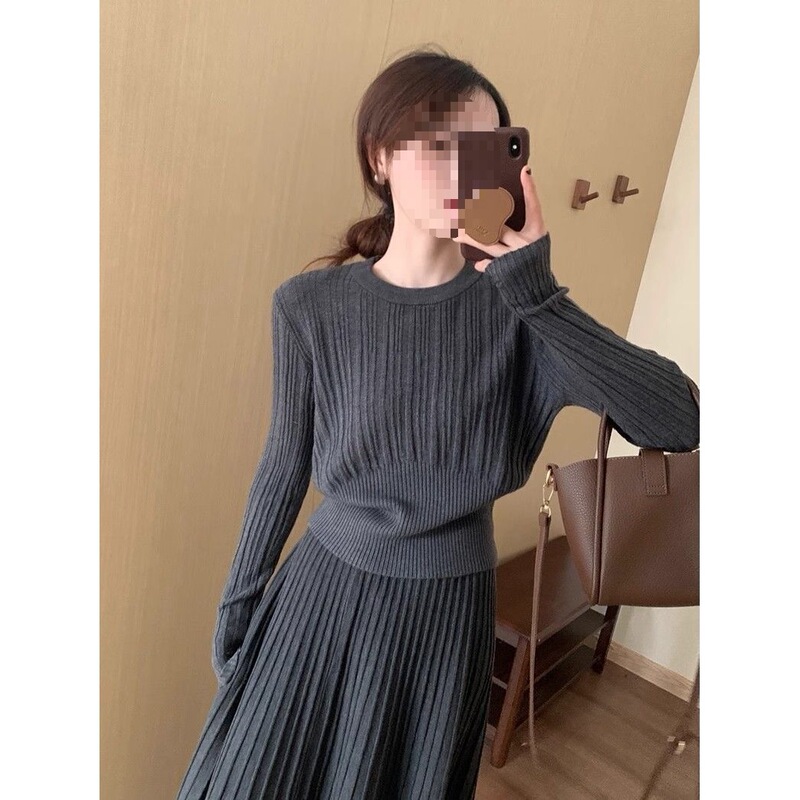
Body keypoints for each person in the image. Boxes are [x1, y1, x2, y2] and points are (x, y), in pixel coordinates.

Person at [176, 47, 699, 800]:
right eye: (435, 144)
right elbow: (283, 464)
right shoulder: (309, 306)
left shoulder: (524, 315)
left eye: (479, 147)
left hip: (443, 619)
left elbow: (677, 419)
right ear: (379, 157)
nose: (458, 168)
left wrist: (539, 295)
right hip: (317, 598)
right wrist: (238, 606)